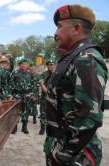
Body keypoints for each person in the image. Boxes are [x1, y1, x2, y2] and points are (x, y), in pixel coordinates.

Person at [44, 4, 108, 166]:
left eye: (59, 27)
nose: (55, 33)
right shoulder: (72, 57)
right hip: (62, 145)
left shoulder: (86, 59)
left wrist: (65, 155)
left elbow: (89, 117)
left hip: (76, 154)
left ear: (76, 29)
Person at [10, 59, 31, 134]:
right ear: (19, 65)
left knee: (25, 111)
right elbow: (11, 84)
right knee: (16, 112)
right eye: (22, 64)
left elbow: (32, 84)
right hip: (17, 95)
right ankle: (14, 127)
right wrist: (12, 94)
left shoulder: (29, 73)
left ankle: (24, 127)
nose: (24, 65)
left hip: (26, 95)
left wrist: (31, 93)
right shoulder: (15, 73)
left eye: (26, 64)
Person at [38, 60, 55, 135]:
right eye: (48, 65)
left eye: (51, 65)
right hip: (45, 96)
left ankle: (51, 128)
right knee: (43, 112)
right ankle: (42, 128)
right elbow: (41, 83)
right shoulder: (43, 74)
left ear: (54, 65)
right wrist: (47, 92)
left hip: (54, 97)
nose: (50, 66)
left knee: (52, 112)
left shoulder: (57, 74)